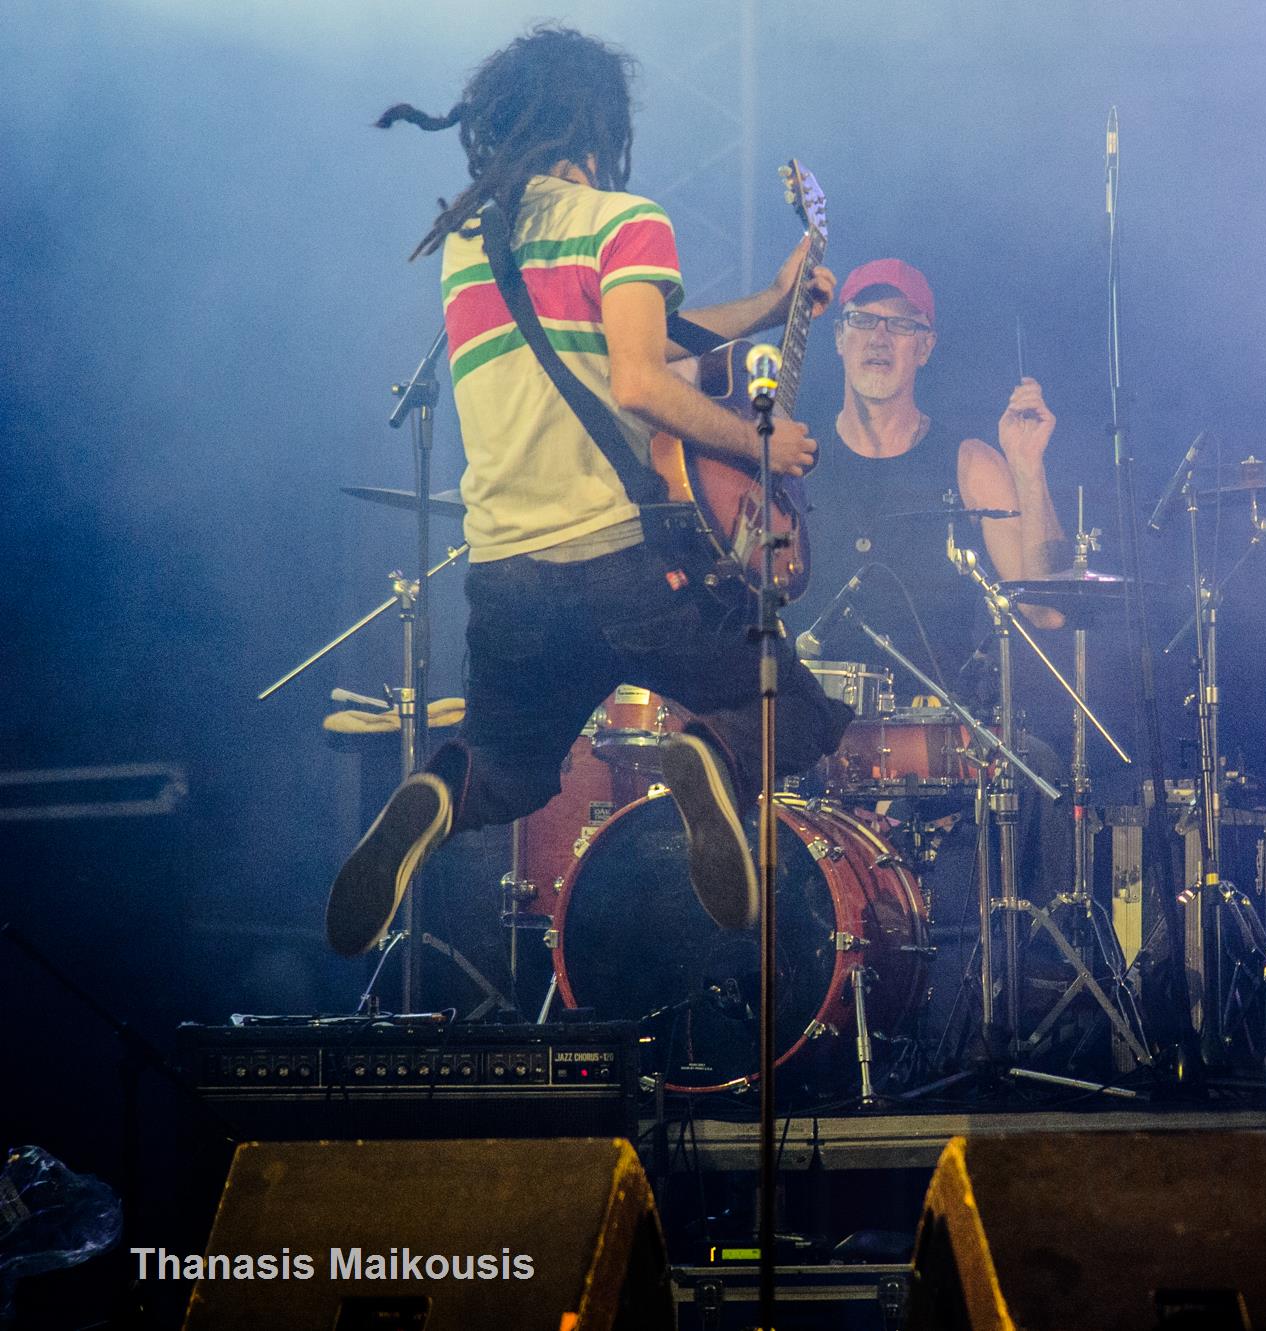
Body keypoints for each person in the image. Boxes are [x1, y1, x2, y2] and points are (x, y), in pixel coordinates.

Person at [324, 25, 851, 958]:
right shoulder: (622, 218)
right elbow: (639, 379)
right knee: (794, 708)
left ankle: (437, 791)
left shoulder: (470, 243)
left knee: (507, 774)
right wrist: (763, 443)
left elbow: (631, 333)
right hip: (622, 566)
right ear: (599, 126)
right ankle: (708, 758)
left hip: (507, 578)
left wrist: (771, 307)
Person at [786, 258, 1066, 683]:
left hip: (929, 722)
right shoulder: (793, 457)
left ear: (925, 347)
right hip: (798, 716)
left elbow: (1046, 612)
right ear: (840, 337)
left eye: (901, 325)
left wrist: (1028, 467)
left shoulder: (970, 463)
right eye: (863, 320)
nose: (879, 338)